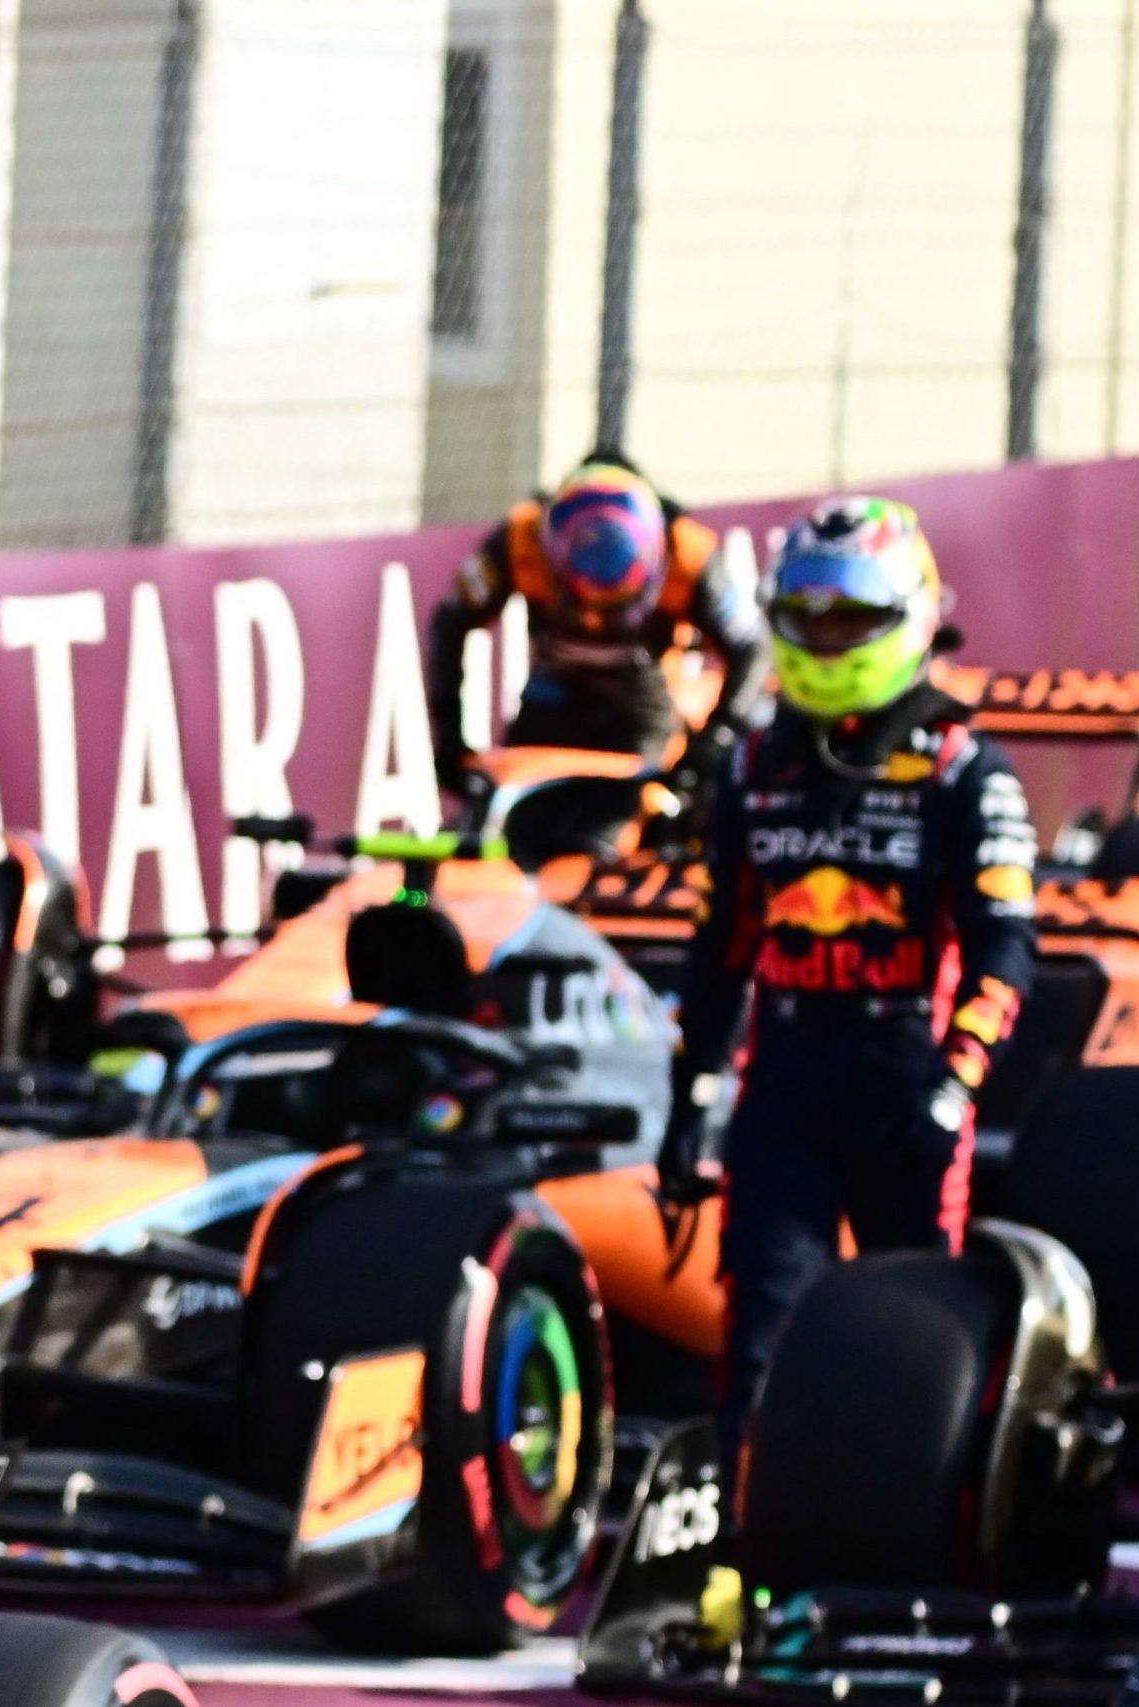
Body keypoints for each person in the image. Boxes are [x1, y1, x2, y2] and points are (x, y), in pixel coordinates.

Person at [657, 495, 1037, 1496]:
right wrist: (687, 1096)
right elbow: (720, 946)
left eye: (848, 615)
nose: (824, 635)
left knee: (916, 1337)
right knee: (760, 1331)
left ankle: (913, 1543)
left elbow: (1005, 948)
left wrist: (955, 1082)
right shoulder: (746, 768)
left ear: (908, 614)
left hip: (905, 1081)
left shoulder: (964, 770)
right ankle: (753, 1557)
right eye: (807, 614)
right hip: (781, 1081)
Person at [427, 453, 768, 806]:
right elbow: (449, 622)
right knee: (502, 812)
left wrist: (718, 738)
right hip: (552, 696)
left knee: (631, 820)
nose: (596, 620)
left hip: (642, 709)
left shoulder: (689, 554)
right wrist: (450, 737)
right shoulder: (521, 539)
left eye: (614, 600)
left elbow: (753, 647)